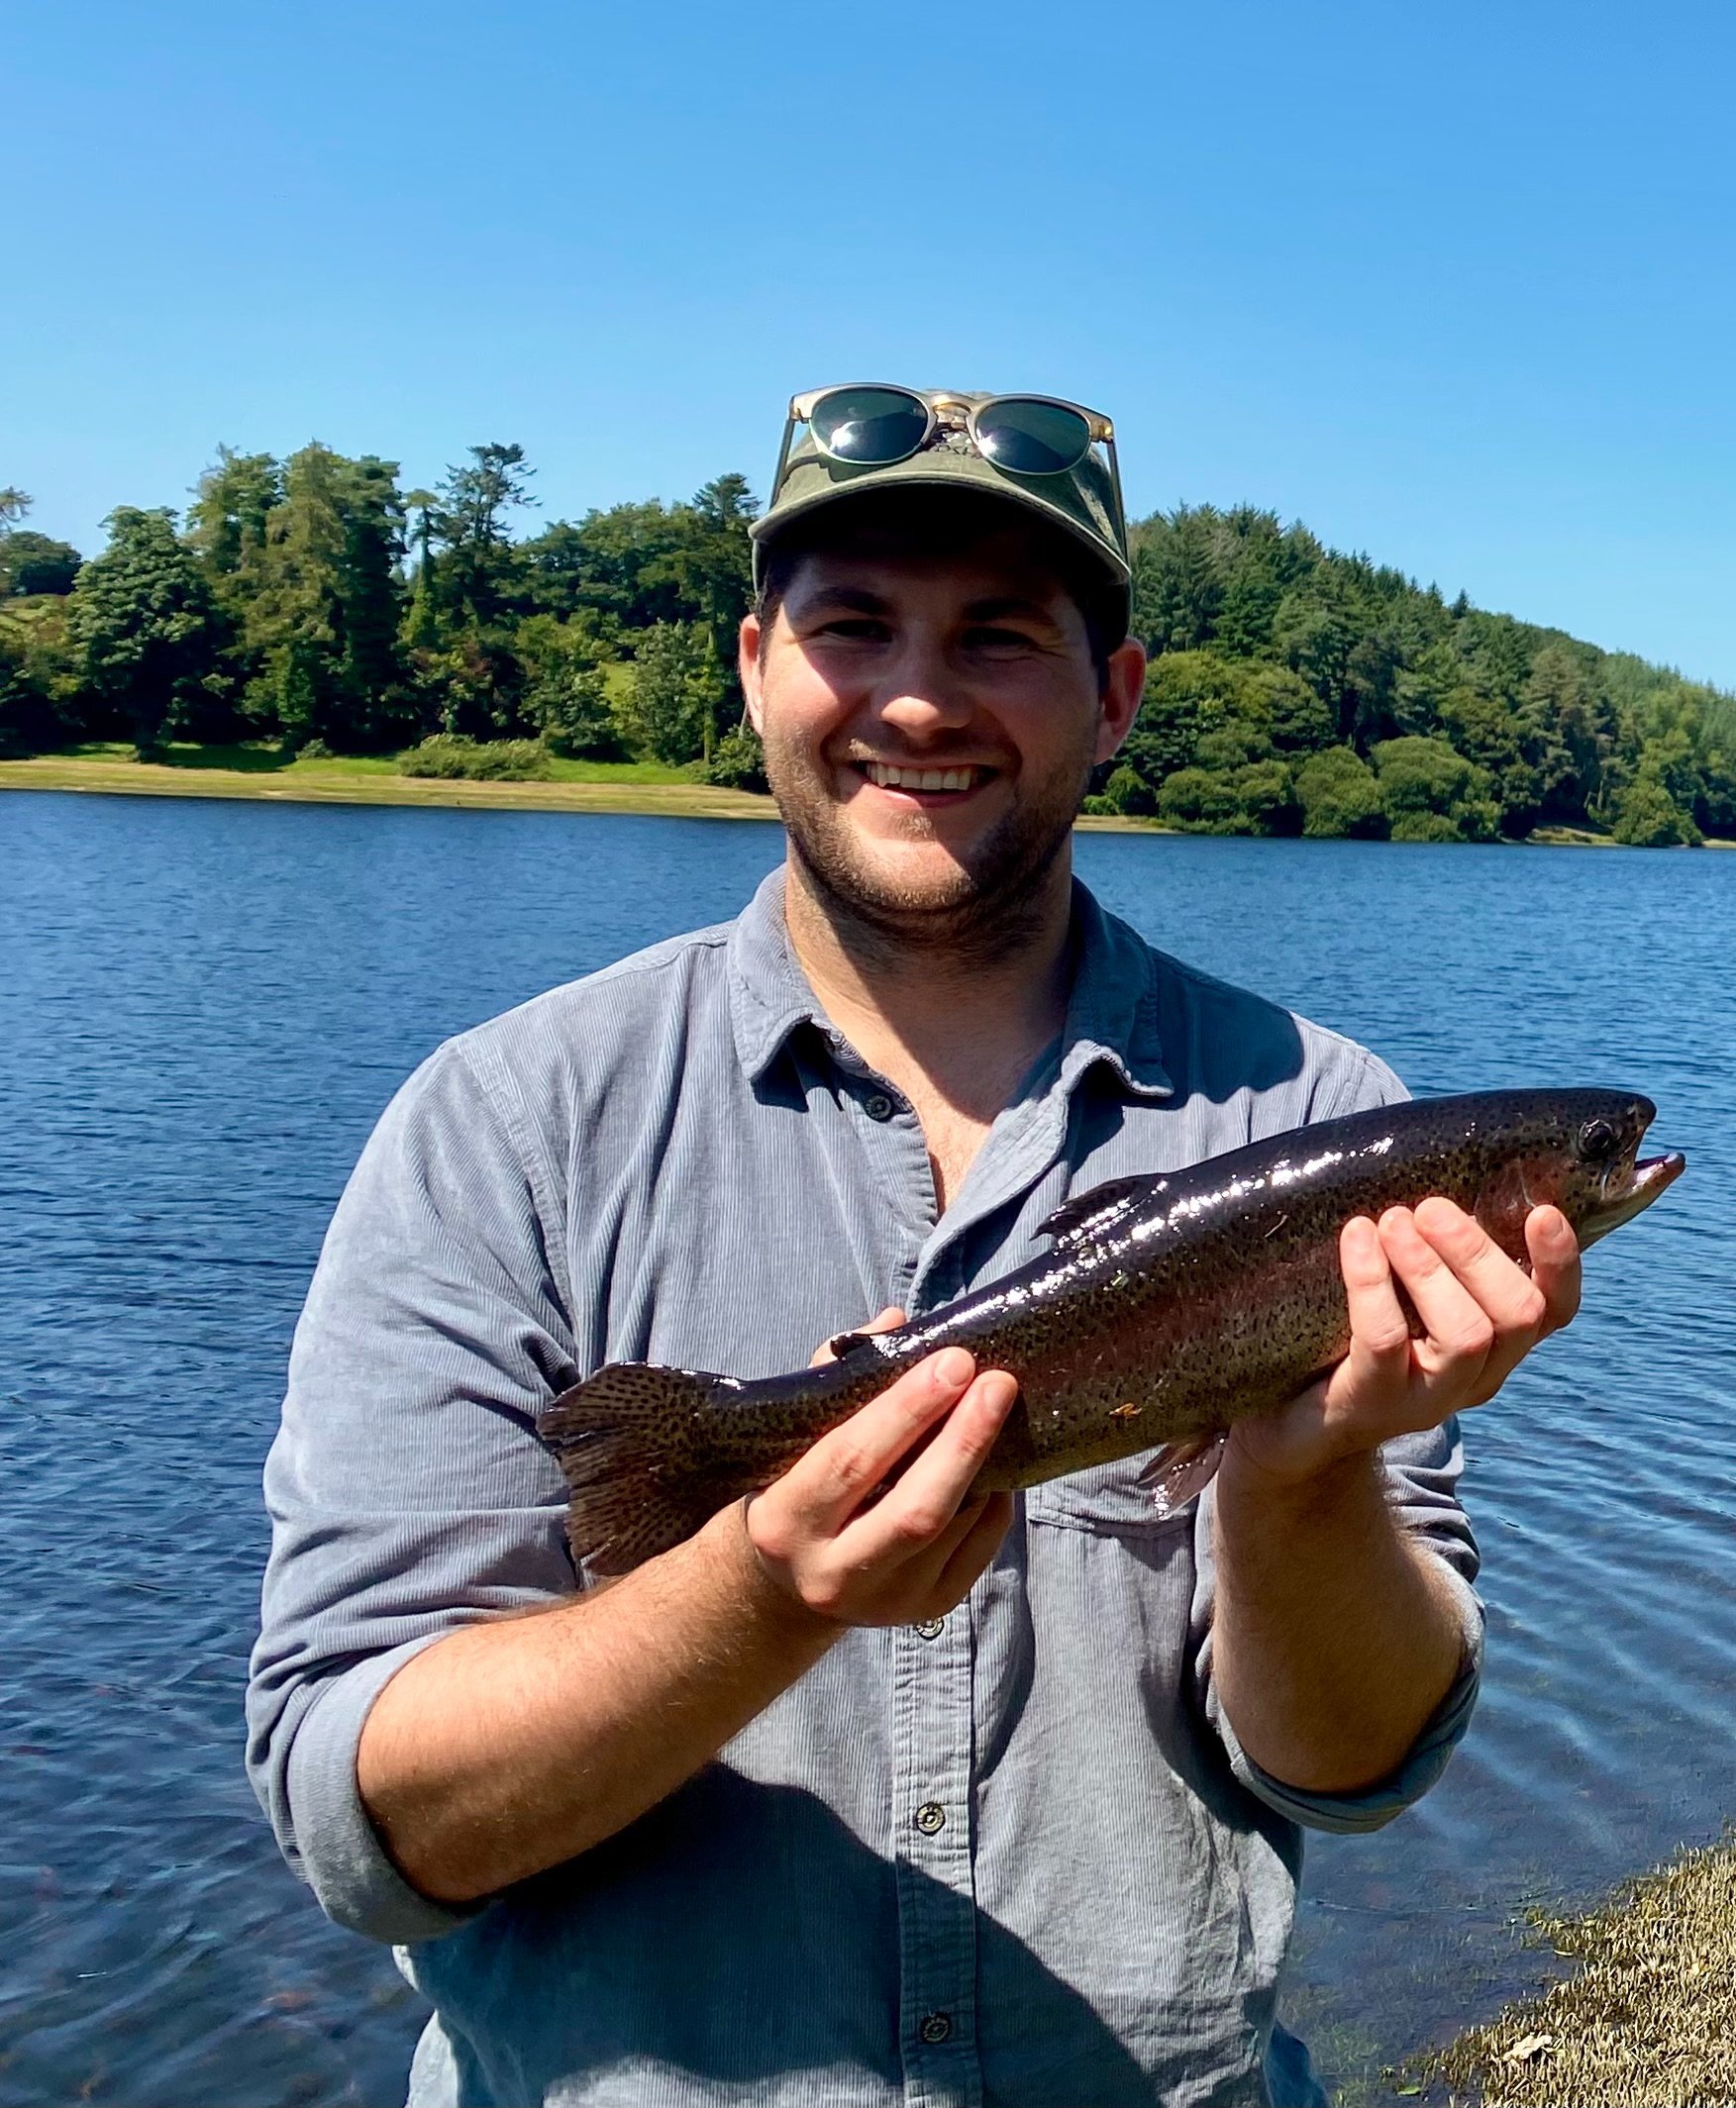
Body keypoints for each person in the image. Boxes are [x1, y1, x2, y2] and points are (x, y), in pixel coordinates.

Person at [247, 384, 1582, 2107]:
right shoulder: (502, 1125)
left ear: (1114, 700)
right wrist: (757, 1589)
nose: (920, 697)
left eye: (1001, 637)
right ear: (753, 668)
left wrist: (1304, 1474)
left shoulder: (1319, 1108)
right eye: (854, 623)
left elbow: (1351, 1771)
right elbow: (363, 1824)